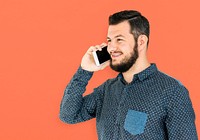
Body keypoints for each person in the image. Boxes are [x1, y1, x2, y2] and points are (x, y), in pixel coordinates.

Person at [59, 10, 198, 140]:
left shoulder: (172, 91)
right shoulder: (106, 90)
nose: (111, 48)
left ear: (141, 41)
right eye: (109, 40)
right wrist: (85, 70)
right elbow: (69, 115)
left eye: (119, 39)